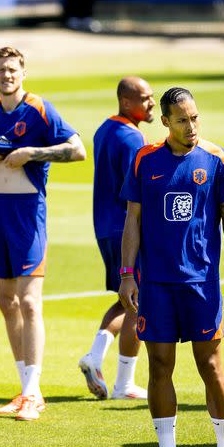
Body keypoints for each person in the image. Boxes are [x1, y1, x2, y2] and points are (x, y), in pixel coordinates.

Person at [118, 87, 224, 447]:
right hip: (156, 284)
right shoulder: (144, 160)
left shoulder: (218, 158)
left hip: (201, 283)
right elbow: (133, 221)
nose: (191, 126)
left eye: (195, 118)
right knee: (159, 365)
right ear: (165, 122)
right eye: (182, 120)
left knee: (210, 365)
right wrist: (127, 275)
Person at [0, 46, 86, 421]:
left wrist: (31, 153)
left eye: (13, 69)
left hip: (27, 211)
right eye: (1, 70)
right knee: (6, 301)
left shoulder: (40, 110)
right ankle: (23, 389)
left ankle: (34, 393)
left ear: (23, 73)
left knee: (30, 301)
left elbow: (78, 150)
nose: (7, 75)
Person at [78, 76, 154, 400]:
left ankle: (96, 356)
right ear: (127, 102)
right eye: (146, 98)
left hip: (105, 227)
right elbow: (137, 191)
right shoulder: (132, 139)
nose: (151, 103)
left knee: (127, 298)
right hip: (127, 230)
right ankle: (124, 383)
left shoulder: (103, 130)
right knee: (138, 300)